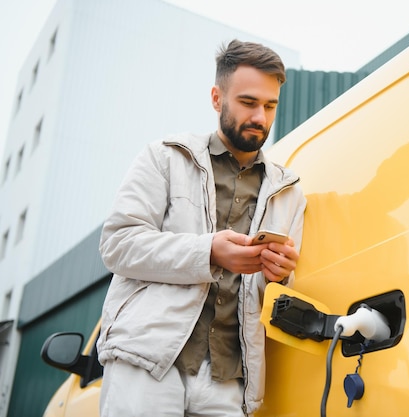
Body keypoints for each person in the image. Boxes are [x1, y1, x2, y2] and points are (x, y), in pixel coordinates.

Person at [96, 39, 306, 417]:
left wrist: (281, 276)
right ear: (216, 98)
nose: (260, 116)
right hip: (148, 362)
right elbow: (118, 244)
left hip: (229, 382)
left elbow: (276, 298)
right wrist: (208, 251)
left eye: (270, 105)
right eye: (248, 102)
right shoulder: (164, 157)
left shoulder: (289, 193)